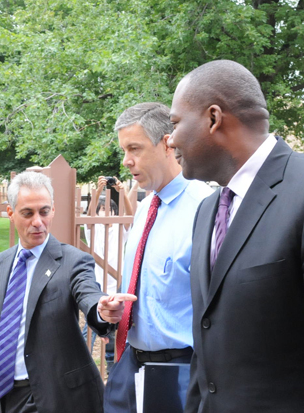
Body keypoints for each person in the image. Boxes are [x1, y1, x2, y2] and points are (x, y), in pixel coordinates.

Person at [167, 59, 304, 412]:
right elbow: (207, 341)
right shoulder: (208, 211)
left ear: (213, 118)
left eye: (176, 123)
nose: (170, 140)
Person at [0, 171, 134, 413]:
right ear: (10, 213)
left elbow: (88, 293)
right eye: (28, 213)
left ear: (53, 210)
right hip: (11, 396)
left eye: (44, 211)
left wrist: (101, 309)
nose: (38, 221)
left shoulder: (73, 261)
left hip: (64, 398)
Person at [104, 102, 213, 413]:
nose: (126, 161)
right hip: (128, 365)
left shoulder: (205, 208)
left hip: (181, 372)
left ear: (168, 143)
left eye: (134, 149)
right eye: (124, 150)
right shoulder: (145, 207)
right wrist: (115, 308)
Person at [83, 176, 134, 372]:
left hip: (116, 286)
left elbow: (130, 215)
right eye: (101, 209)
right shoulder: (93, 229)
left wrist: (122, 192)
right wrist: (97, 191)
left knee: (114, 332)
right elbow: (89, 214)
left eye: (109, 209)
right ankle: (84, 363)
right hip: (96, 286)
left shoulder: (120, 229)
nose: (105, 212)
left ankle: (113, 368)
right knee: (91, 329)